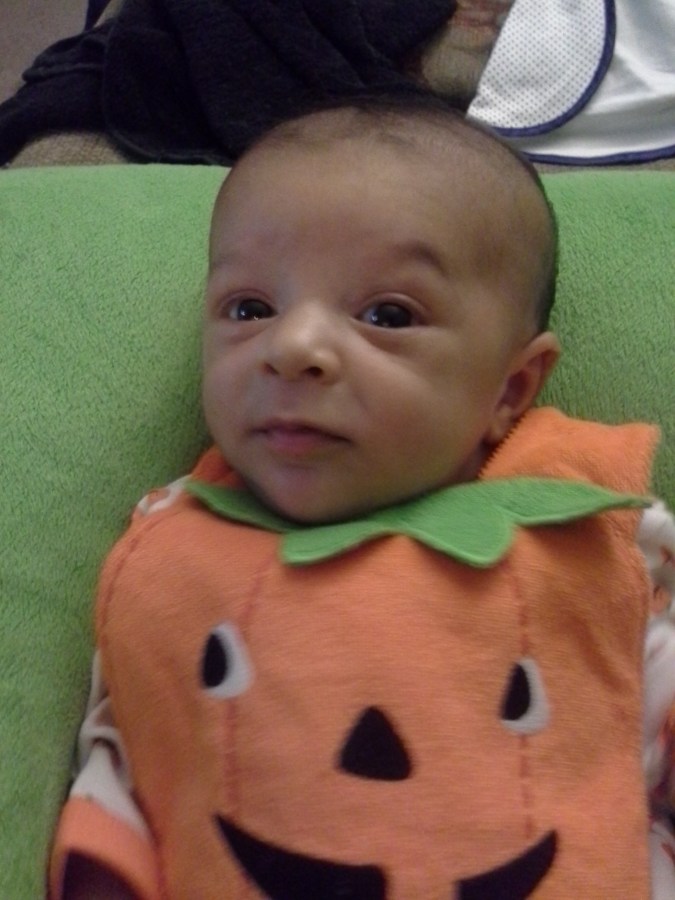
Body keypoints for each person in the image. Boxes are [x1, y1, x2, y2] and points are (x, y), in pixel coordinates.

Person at [50, 93, 675, 899]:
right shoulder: (172, 550)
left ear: (510, 389)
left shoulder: (587, 539)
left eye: (386, 314)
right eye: (249, 308)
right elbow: (133, 745)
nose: (294, 346)